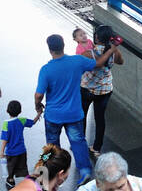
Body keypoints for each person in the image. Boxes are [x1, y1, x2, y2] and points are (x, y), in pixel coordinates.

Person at [34, 33, 120, 183]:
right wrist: (111, 50)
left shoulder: (46, 70)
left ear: (50, 49)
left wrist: (38, 107)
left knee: (52, 146)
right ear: (63, 46)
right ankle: (85, 171)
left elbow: (38, 95)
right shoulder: (77, 61)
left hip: (53, 116)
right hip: (74, 113)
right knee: (78, 142)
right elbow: (99, 63)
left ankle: (52, 172)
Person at [80, 25, 124, 160]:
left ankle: (81, 145)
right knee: (100, 119)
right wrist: (114, 48)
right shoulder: (113, 52)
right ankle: (97, 148)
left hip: (87, 89)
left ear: (97, 37)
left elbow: (81, 68)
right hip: (105, 90)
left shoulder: (88, 54)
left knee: (82, 117)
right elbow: (121, 62)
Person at [0, 100, 39, 189]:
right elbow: (33, 122)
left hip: (11, 152)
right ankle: (28, 180)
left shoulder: (6, 124)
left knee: (11, 167)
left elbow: (5, 139)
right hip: (22, 150)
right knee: (23, 166)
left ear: (7, 111)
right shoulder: (22, 120)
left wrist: (2, 151)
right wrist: (39, 114)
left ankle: (10, 180)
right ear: (20, 111)